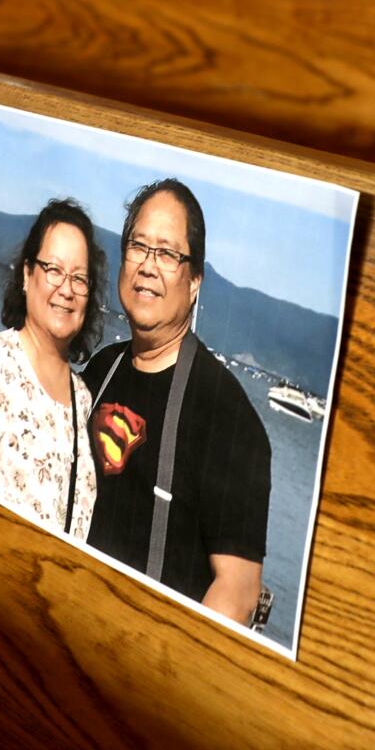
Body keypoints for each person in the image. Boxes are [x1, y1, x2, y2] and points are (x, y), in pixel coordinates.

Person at [83, 179, 271, 625]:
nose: (148, 266)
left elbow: (238, 593)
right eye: (138, 247)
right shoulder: (100, 369)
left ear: (194, 281)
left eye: (167, 254)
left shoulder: (229, 419)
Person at [0, 198, 107, 540]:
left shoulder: (84, 399)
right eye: (53, 270)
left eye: (79, 279)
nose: (66, 289)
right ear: (26, 275)